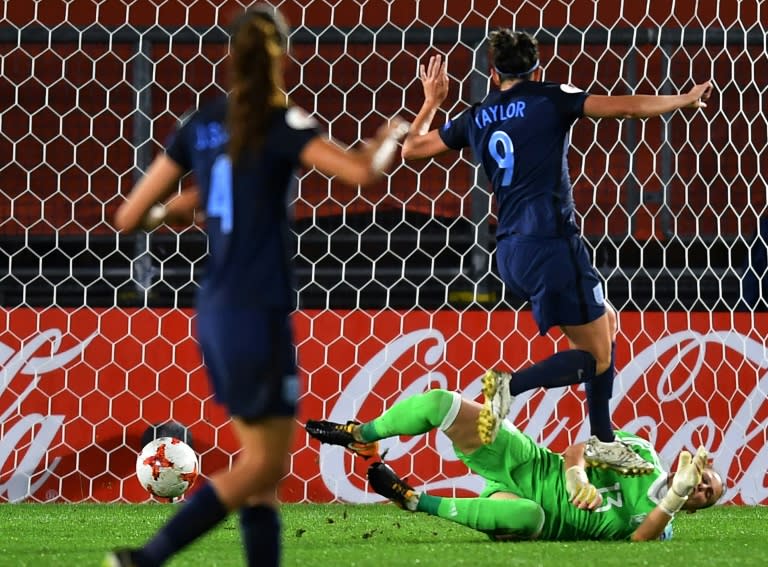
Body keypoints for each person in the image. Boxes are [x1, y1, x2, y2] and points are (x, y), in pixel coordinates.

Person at [105, 5, 407, 567]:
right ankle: (145, 560)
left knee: (261, 471)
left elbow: (129, 217)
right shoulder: (281, 121)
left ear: (230, 57)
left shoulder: (201, 124)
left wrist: (177, 211)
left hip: (216, 308)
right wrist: (390, 137)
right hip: (258, 308)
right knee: (266, 467)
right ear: (282, 57)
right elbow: (363, 175)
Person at [399, 30, 714, 474]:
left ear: (492, 73)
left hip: (509, 248)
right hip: (551, 243)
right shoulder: (551, 97)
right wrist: (681, 100)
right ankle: (513, 388)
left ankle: (603, 438)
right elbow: (624, 105)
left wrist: (432, 100)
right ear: (536, 69)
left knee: (606, 320)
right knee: (596, 356)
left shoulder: (478, 114)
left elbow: (412, 149)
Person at [305, 389, 724, 541]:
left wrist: (674, 496)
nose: (702, 486)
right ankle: (362, 436)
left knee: (525, 513)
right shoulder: (642, 452)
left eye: (707, 494)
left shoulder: (660, 525)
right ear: (692, 462)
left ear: (695, 507)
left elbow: (639, 540)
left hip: (535, 516)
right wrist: (576, 475)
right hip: (529, 461)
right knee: (441, 403)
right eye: (705, 478)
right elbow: (579, 450)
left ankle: (413, 500)